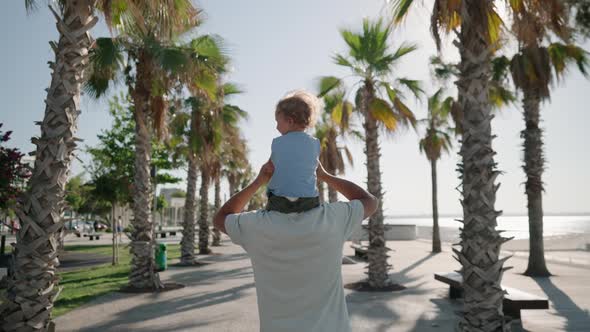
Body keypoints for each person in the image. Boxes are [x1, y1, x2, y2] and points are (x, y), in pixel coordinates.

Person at [213, 161, 378, 332]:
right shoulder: (333, 218)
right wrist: (325, 176)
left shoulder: (256, 225)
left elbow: (220, 218)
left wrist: (258, 182)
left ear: (272, 185)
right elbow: (370, 201)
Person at [266, 90, 321, 214]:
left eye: (277, 122)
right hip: (309, 201)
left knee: (271, 189)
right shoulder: (315, 143)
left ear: (290, 121)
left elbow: (270, 168)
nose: (276, 127)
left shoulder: (277, 142)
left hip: (281, 201)